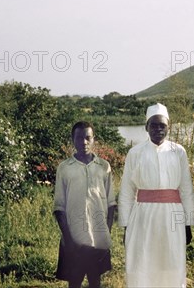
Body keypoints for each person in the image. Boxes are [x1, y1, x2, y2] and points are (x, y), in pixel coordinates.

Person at [118, 103, 194, 287]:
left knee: (171, 260)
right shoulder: (135, 153)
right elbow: (127, 191)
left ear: (168, 126)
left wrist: (188, 223)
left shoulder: (178, 151)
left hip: (173, 216)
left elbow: (186, 189)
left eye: (162, 125)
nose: (158, 129)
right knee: (143, 260)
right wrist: (125, 225)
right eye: (154, 125)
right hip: (143, 216)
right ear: (146, 127)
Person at [53, 121, 115, 288]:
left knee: (95, 281)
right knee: (74, 281)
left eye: (88, 138)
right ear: (72, 140)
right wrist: (69, 239)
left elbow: (111, 204)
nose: (84, 142)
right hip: (74, 237)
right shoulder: (65, 168)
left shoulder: (104, 167)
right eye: (79, 138)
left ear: (94, 139)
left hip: (98, 236)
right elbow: (59, 207)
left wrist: (106, 233)